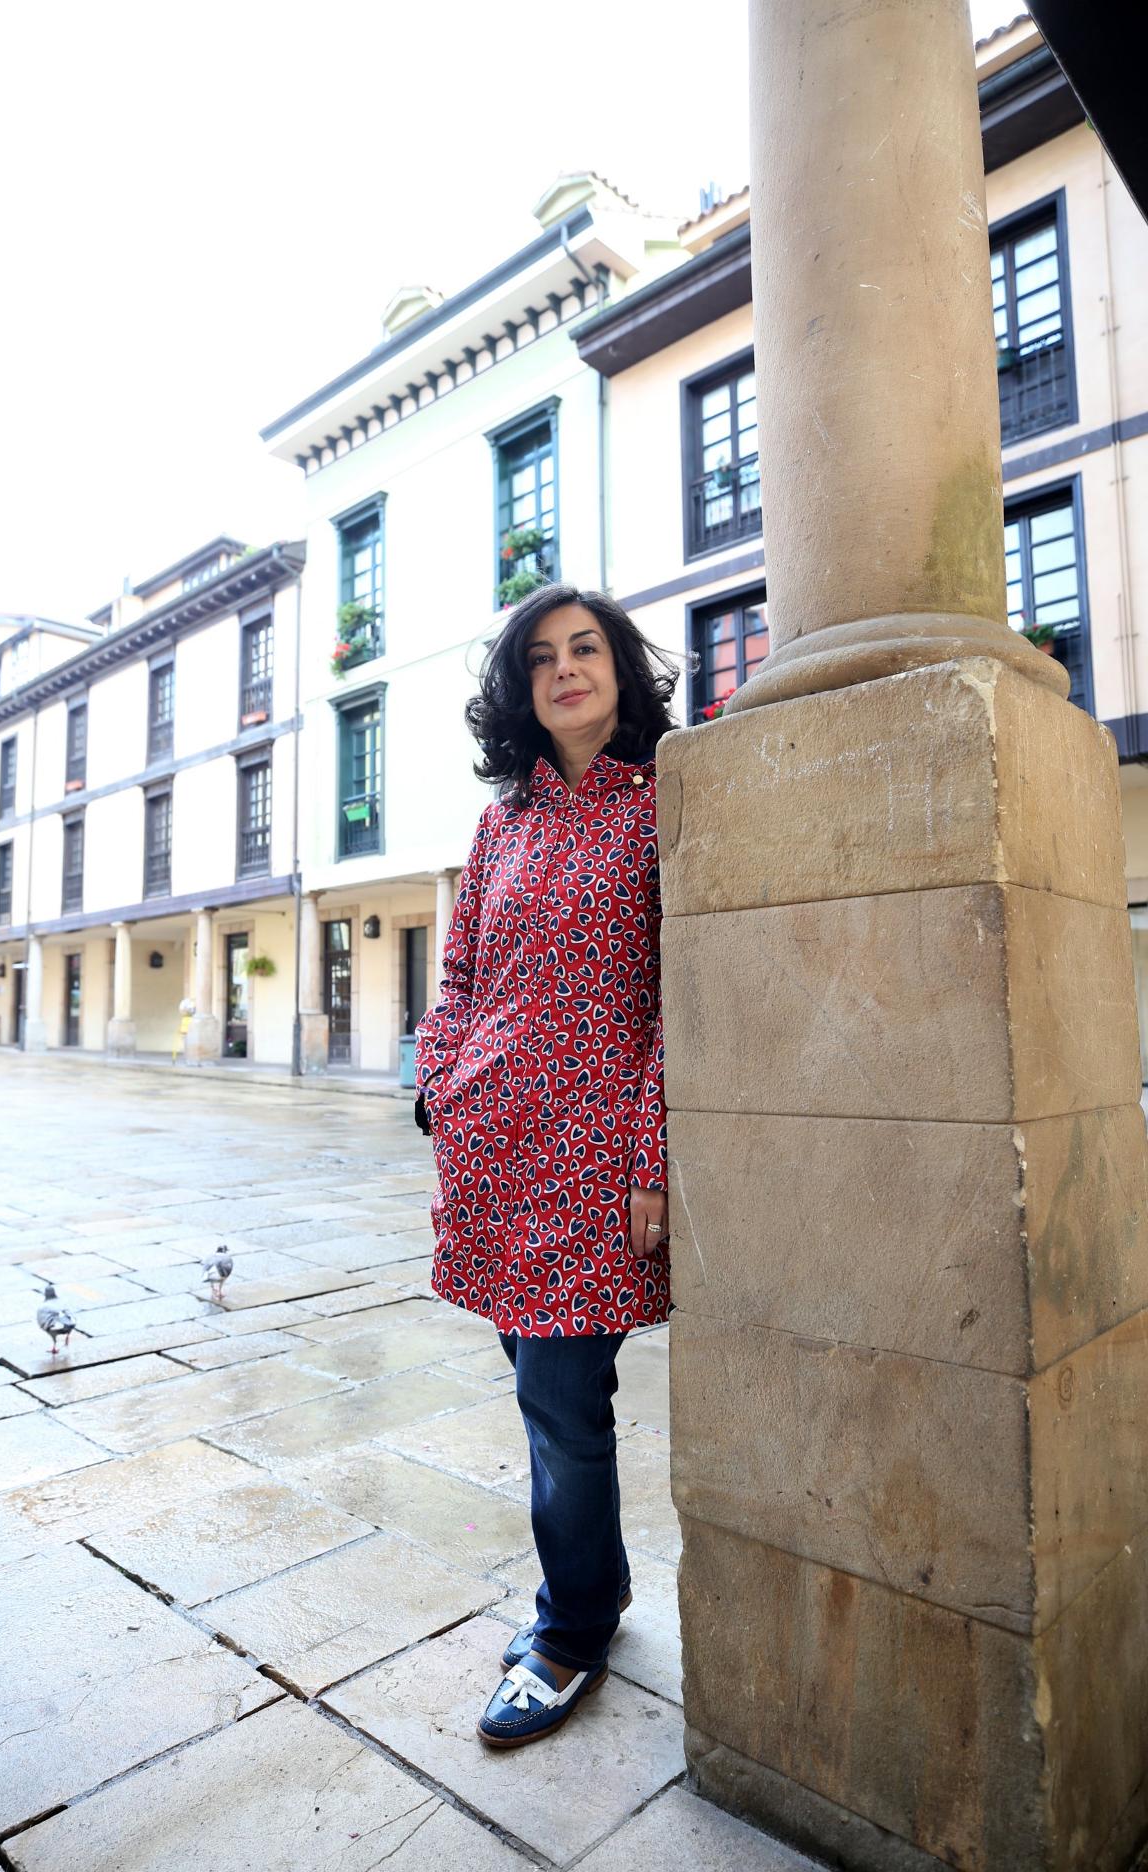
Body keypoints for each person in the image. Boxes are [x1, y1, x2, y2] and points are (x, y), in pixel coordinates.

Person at [414, 582, 678, 1749]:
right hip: (492, 1150)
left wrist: (652, 1161)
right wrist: (439, 1085)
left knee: (564, 1406)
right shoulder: (501, 823)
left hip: (594, 1163)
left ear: (620, 668)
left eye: (586, 649)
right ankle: (593, 1594)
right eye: (541, 658)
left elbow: (682, 1003)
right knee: (545, 1398)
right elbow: (460, 975)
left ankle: (570, 1630)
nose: (566, 669)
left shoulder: (669, 807)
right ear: (518, 690)